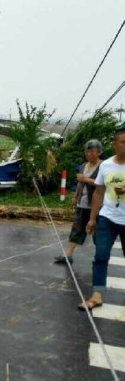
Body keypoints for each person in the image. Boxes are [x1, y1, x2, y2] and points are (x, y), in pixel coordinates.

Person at [79, 129, 125, 311]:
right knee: (100, 256)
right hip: (107, 217)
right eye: (123, 142)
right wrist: (92, 219)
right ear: (114, 144)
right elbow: (99, 191)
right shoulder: (106, 165)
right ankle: (96, 296)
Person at [54, 140, 102, 264]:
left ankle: (100, 257)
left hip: (98, 206)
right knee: (76, 228)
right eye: (87, 151)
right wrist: (75, 197)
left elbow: (103, 184)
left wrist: (85, 179)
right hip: (83, 203)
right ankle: (68, 255)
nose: (88, 154)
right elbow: (80, 183)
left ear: (99, 152)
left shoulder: (104, 166)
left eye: (92, 151)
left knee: (99, 232)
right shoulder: (83, 165)